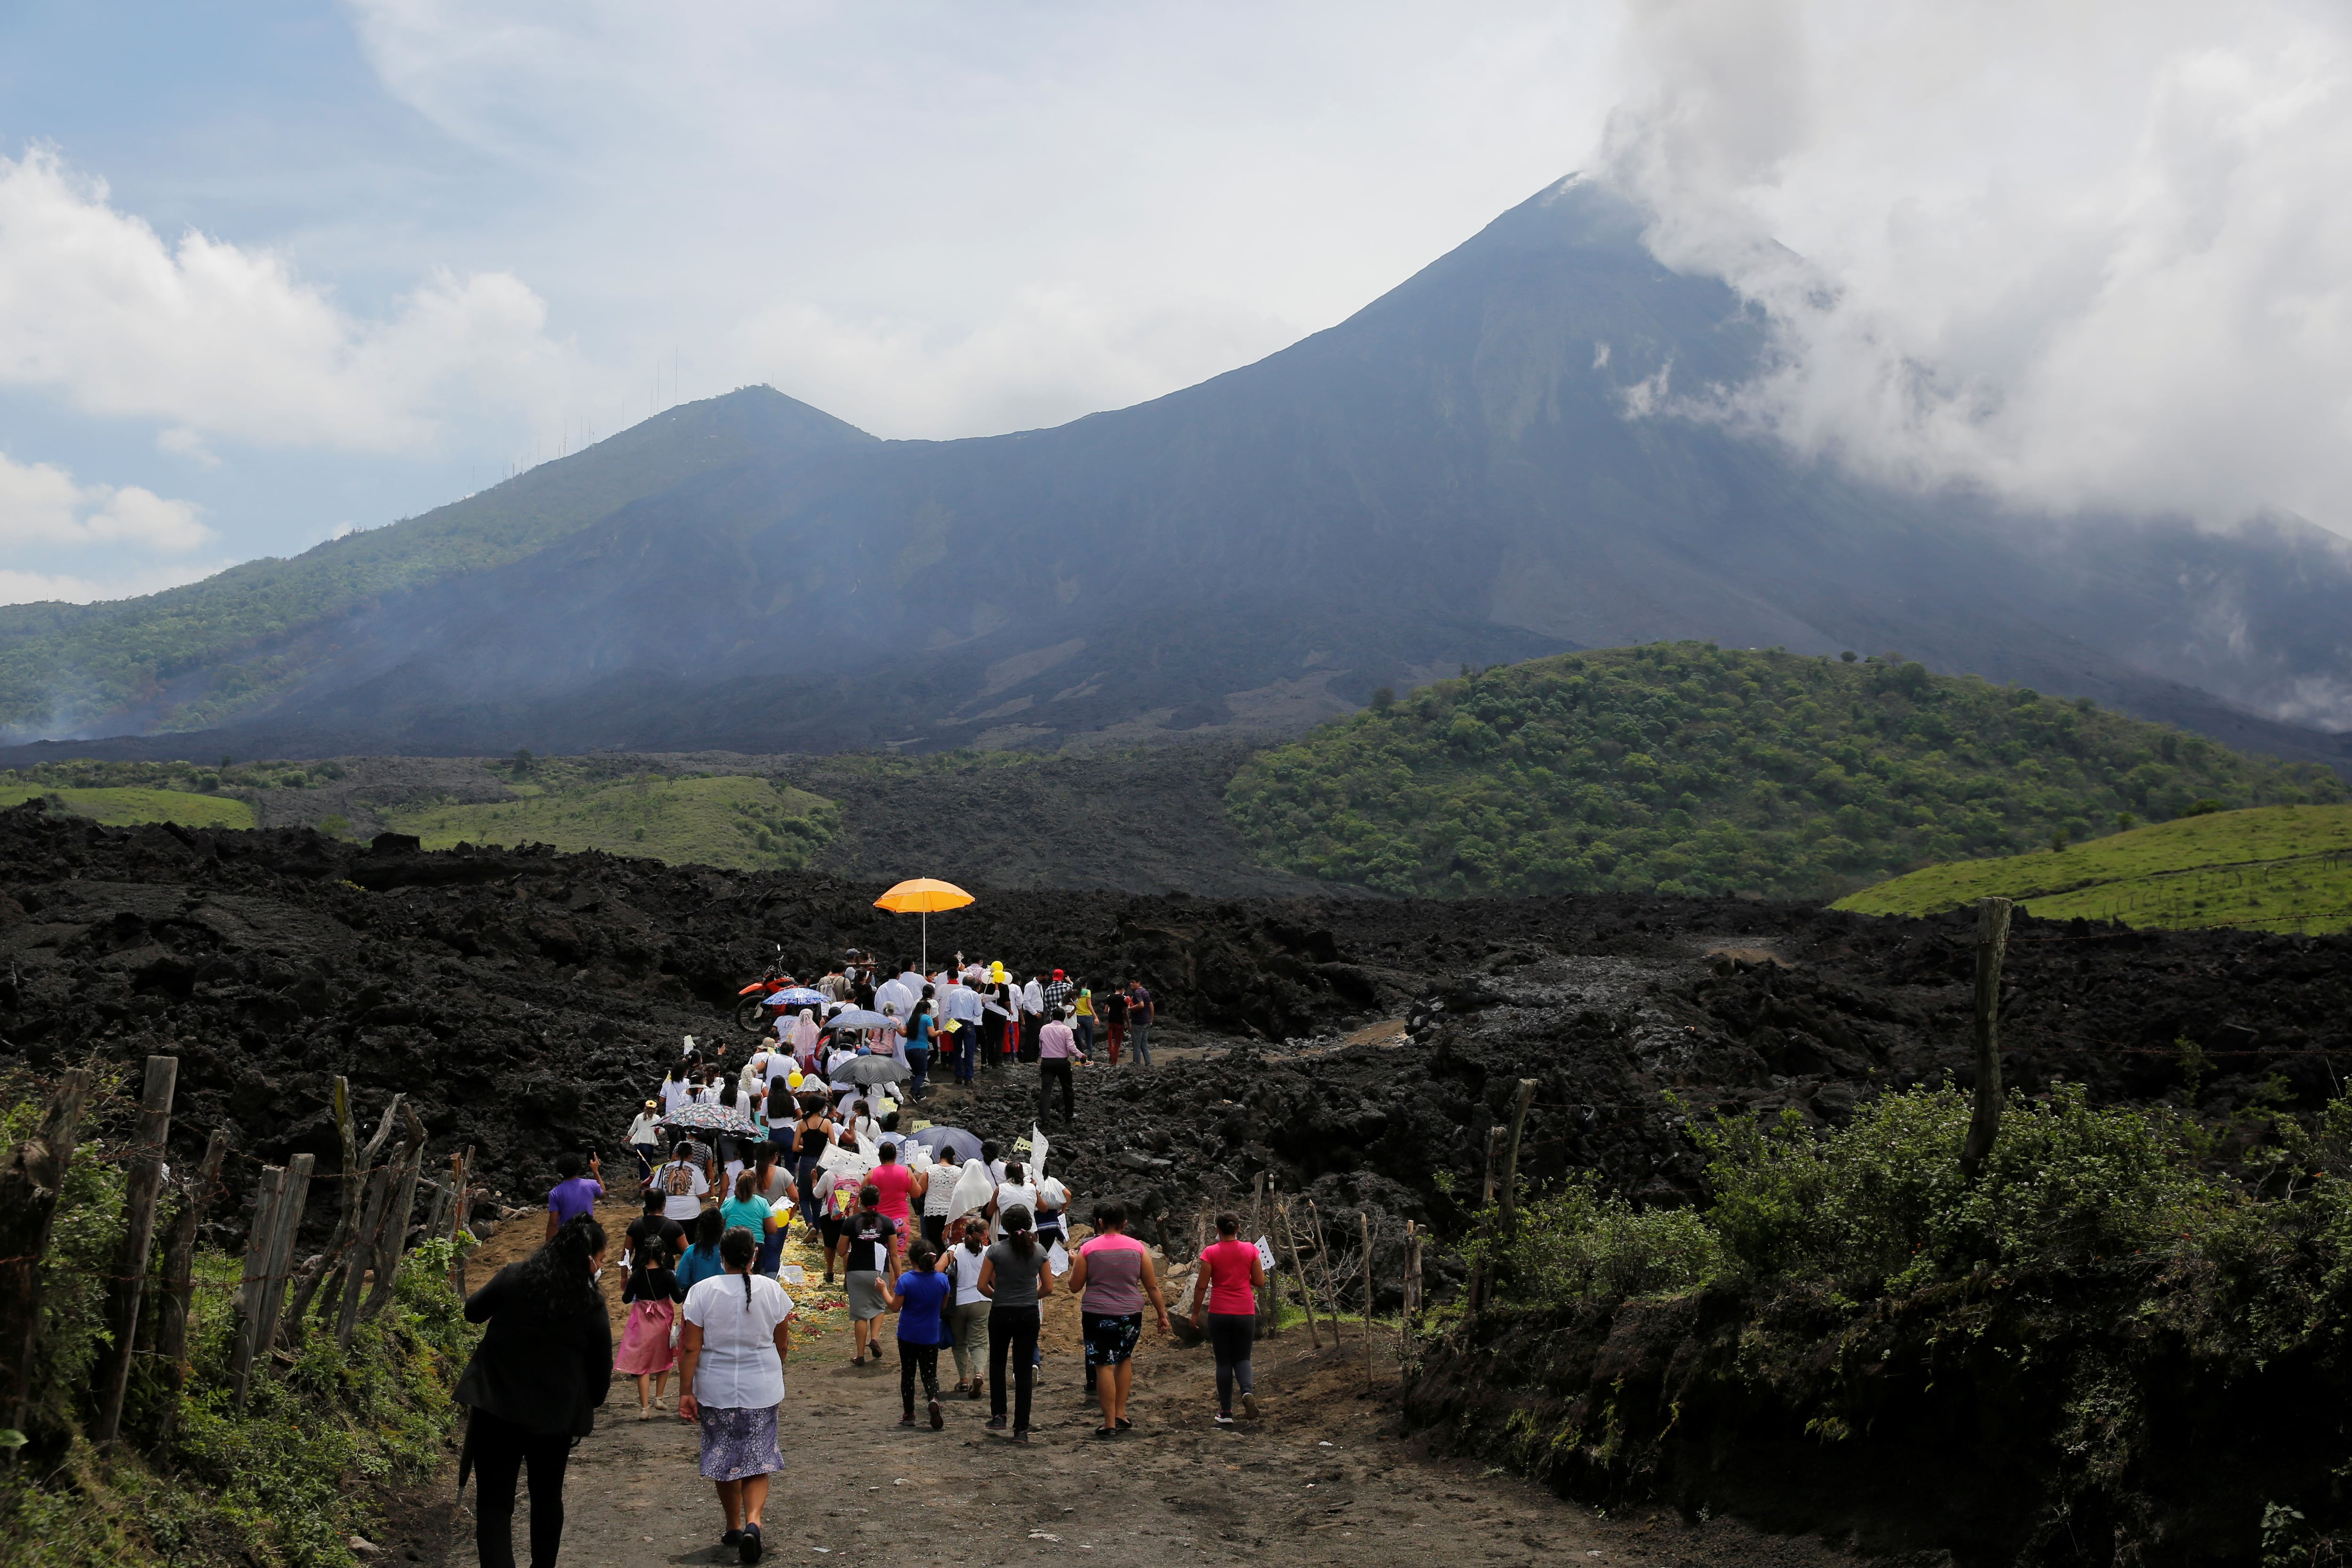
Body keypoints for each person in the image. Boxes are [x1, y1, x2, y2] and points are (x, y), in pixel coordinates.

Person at [453, 1216, 611, 1568]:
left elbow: (472, 1311)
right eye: (600, 1260)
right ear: (588, 1260)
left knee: (494, 1504)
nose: (600, 1267)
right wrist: (583, 1401)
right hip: (554, 1420)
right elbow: (601, 1378)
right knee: (546, 1499)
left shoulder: (515, 1276)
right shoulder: (591, 1305)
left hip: (495, 1408)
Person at [678, 1226, 792, 1566]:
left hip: (716, 1388)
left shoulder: (702, 1292)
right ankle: (754, 1522)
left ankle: (733, 1525)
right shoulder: (772, 1290)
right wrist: (773, 1367)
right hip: (762, 1387)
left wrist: (686, 1391)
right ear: (754, 1255)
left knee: (724, 1458)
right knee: (759, 1457)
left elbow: (690, 1347)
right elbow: (781, 1343)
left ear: (721, 1256)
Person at [1066, 1202, 1171, 1436]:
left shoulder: (1089, 1249)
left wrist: (1076, 1264)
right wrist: (1162, 1315)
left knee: (1103, 1365)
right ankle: (1121, 1414)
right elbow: (1152, 1286)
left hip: (1097, 1314)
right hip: (1130, 1314)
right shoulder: (1138, 1248)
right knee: (1124, 1359)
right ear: (1125, 1224)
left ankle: (1108, 1423)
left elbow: (1074, 1286)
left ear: (1101, 1223)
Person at [977, 1204, 1052, 1442]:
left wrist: (999, 1296)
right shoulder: (1039, 1251)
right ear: (1029, 1225)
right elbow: (1048, 1287)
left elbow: (982, 1286)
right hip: (1028, 1314)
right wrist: (1030, 1297)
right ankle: (1021, 1428)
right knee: (1023, 1369)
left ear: (1004, 1227)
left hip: (1001, 1312)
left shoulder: (996, 1251)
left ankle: (999, 1415)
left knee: (997, 1364)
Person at [1187, 1212, 1268, 1425]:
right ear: (1238, 1229)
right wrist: (1245, 1275)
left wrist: (1195, 1314)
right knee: (1243, 1358)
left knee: (1223, 1362)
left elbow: (1202, 1285)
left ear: (1218, 1230)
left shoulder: (1210, 1253)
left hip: (1219, 1313)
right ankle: (1247, 1392)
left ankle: (1226, 1412)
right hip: (1244, 1312)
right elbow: (1260, 1282)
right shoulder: (1251, 1249)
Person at [615, 1217, 686, 1418]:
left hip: (642, 1322)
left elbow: (626, 1298)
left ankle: (644, 1408)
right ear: (664, 1254)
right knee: (664, 1359)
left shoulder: (638, 1275)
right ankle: (660, 1398)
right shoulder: (668, 1275)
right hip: (662, 1320)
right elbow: (678, 1298)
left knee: (643, 1365)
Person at [880, 1244, 954, 1429]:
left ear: (912, 1260)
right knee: (930, 1374)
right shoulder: (942, 1280)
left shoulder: (906, 1281)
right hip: (930, 1334)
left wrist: (883, 1290)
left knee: (908, 1374)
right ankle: (934, 1398)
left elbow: (895, 1307)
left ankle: (909, 1413)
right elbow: (943, 1306)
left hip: (908, 1334)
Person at [842, 1185, 900, 1366]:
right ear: (878, 1201)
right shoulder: (887, 1223)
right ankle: (874, 1338)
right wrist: (899, 1276)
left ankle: (860, 1355)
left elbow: (841, 1250)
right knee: (879, 1306)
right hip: (879, 1271)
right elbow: (894, 1253)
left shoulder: (851, 1222)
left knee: (860, 1314)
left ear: (861, 1201)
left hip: (856, 1271)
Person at [943, 1217, 991, 1398]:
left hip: (959, 1302)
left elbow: (939, 1269)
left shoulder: (954, 1251)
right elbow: (995, 1278)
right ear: (984, 1235)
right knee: (979, 1343)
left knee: (960, 1343)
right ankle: (979, 1373)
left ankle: (963, 1380)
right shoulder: (989, 1252)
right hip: (982, 1300)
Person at [867, 1141, 922, 1253]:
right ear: (896, 1156)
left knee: (878, 1257)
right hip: (900, 1221)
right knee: (896, 1257)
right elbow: (917, 1193)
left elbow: (861, 1199)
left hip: (877, 1221)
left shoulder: (871, 1174)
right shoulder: (906, 1172)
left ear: (880, 1156)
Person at [719, 1170, 778, 1269]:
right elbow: (772, 1229)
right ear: (755, 1184)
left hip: (731, 1245)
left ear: (737, 1183)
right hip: (755, 1245)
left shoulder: (727, 1203)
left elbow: (719, 1225)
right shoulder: (762, 1203)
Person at [749, 1150, 796, 1273]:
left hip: (755, 1218)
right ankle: (771, 1283)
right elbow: (795, 1197)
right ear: (776, 1156)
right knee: (774, 1254)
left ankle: (756, 1279)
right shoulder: (783, 1173)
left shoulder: (750, 1173)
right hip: (778, 1218)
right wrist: (791, 1214)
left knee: (756, 1253)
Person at [545, 1151, 604, 1240]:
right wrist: (596, 1172)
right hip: (587, 1234)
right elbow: (603, 1194)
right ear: (579, 1168)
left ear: (560, 1170)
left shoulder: (555, 1193)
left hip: (567, 1237)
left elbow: (553, 1223)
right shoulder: (592, 1185)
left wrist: (549, 1245)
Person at [1036, 1007, 1080, 1125]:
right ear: (1064, 1018)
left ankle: (1045, 1119)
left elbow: (1041, 1045)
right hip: (1062, 1062)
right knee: (1067, 1089)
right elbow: (1071, 1047)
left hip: (1047, 1062)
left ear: (1052, 1017)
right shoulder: (1066, 1030)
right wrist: (1081, 1055)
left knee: (1046, 1090)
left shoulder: (1044, 1029)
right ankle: (1069, 1116)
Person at [655, 1141, 711, 1225]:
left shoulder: (663, 1168)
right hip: (691, 1213)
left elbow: (655, 1190)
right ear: (690, 1156)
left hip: (668, 1212)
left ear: (676, 1154)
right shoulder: (696, 1169)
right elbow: (703, 1193)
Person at [677, 1209, 729, 1296]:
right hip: (724, 1300)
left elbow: (682, 1281)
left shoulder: (691, 1251)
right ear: (722, 1227)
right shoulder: (729, 1250)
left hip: (697, 1299)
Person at [920, 1142, 961, 1248]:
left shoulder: (929, 1170)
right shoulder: (960, 1172)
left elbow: (921, 1190)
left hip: (932, 1212)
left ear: (939, 1158)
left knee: (933, 1244)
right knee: (948, 1245)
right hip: (951, 1214)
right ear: (954, 1158)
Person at [992, 1161, 1037, 1242]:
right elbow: (1044, 1208)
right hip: (1030, 1232)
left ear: (1006, 1174)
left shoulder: (1000, 1189)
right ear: (1023, 1174)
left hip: (1005, 1232)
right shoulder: (1032, 1188)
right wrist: (1035, 1190)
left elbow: (989, 1212)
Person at [902, 1002, 936, 1099]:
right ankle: (913, 1092)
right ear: (927, 1010)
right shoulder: (927, 1018)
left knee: (916, 1073)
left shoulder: (911, 1019)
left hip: (908, 1049)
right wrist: (939, 1032)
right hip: (920, 1049)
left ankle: (917, 1095)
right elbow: (932, 1034)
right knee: (922, 1073)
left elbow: (904, 1033)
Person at [626, 1101, 663, 1181]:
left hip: (638, 1142)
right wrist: (657, 1132)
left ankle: (642, 1178)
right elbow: (662, 1130)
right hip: (649, 1142)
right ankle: (646, 1179)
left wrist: (629, 1136)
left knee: (642, 1161)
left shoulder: (639, 1117)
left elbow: (633, 1129)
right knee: (647, 1161)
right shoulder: (657, 1118)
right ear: (656, 1109)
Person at [1125, 980, 1155, 1067]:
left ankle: (1137, 1065)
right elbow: (1151, 1006)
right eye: (1130, 982)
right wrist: (1151, 1021)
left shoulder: (1138, 993)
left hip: (1139, 1023)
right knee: (1144, 1044)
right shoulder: (1145, 991)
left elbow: (1141, 1005)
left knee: (1136, 1045)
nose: (1131, 984)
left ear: (1139, 983)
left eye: (1134, 982)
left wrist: (1130, 1009)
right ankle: (1149, 1063)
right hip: (1146, 1022)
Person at [1100, 984, 1128, 1067]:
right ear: (1123, 989)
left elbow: (1105, 1011)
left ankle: (1111, 1057)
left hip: (1111, 1022)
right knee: (1117, 1043)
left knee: (1110, 1040)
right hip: (1119, 1022)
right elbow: (1125, 1012)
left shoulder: (1110, 997)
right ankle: (1114, 1062)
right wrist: (1128, 1024)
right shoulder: (1123, 999)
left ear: (1116, 989)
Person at [1072, 986, 1095, 1056]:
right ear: (1086, 984)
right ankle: (1089, 1058)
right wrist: (1096, 1017)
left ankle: (1078, 1059)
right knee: (1089, 1039)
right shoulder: (1087, 992)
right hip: (1087, 1016)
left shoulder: (1074, 992)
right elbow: (1089, 1005)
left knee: (1078, 1040)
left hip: (1078, 1017)